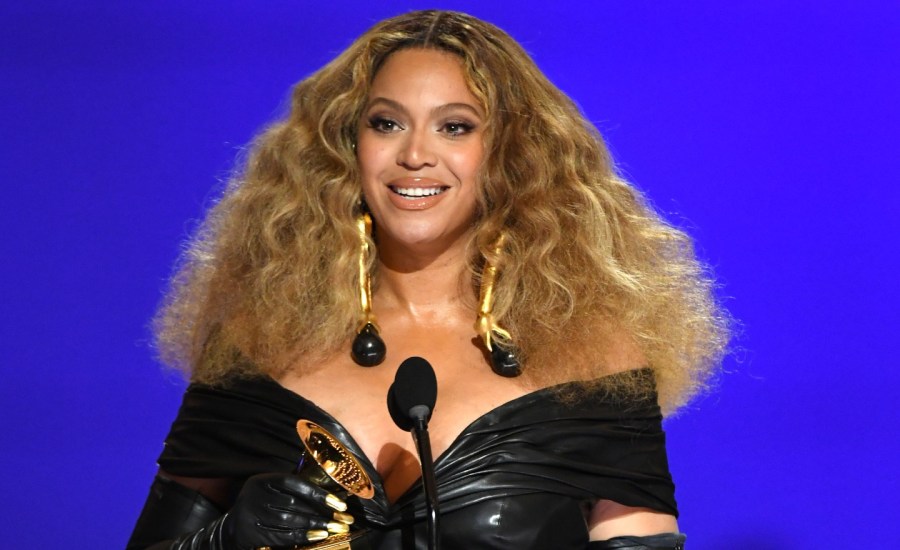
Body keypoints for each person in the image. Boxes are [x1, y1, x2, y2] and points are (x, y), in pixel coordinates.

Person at [128, 9, 729, 550]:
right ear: (347, 148)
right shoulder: (255, 345)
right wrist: (223, 543)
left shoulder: (597, 362)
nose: (415, 154)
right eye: (386, 124)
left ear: (509, 153)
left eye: (455, 126)